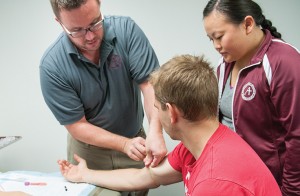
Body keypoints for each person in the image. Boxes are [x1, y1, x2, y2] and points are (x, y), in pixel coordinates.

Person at [58, 54, 281, 195]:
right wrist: (84, 175)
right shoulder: (202, 145)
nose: (155, 113)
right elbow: (146, 177)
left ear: (171, 112)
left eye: (156, 108)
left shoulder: (214, 182)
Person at [39, 0, 167, 195]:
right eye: (77, 30)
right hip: (89, 154)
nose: (90, 36)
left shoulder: (127, 31)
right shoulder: (52, 66)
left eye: (95, 23)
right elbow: (76, 125)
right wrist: (124, 144)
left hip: (136, 142)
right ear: (59, 22)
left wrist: (156, 132)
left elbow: (150, 85)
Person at [202, 0, 300, 195]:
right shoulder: (224, 65)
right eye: (210, 39)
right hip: (239, 180)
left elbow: (297, 136)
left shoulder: (284, 62)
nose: (216, 45)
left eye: (219, 36)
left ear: (248, 24)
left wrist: (290, 192)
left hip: (273, 184)